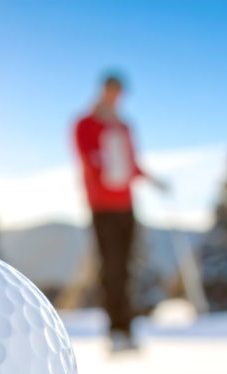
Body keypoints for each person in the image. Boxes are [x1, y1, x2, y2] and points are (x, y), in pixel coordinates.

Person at [73, 72, 167, 351]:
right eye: (111, 91)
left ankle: (128, 328)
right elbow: (88, 160)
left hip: (126, 204)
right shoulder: (85, 124)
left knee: (126, 266)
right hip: (101, 206)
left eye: (119, 92)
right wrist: (104, 175)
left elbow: (131, 163)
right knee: (110, 265)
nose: (115, 96)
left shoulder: (125, 127)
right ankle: (114, 329)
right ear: (103, 91)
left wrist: (152, 180)